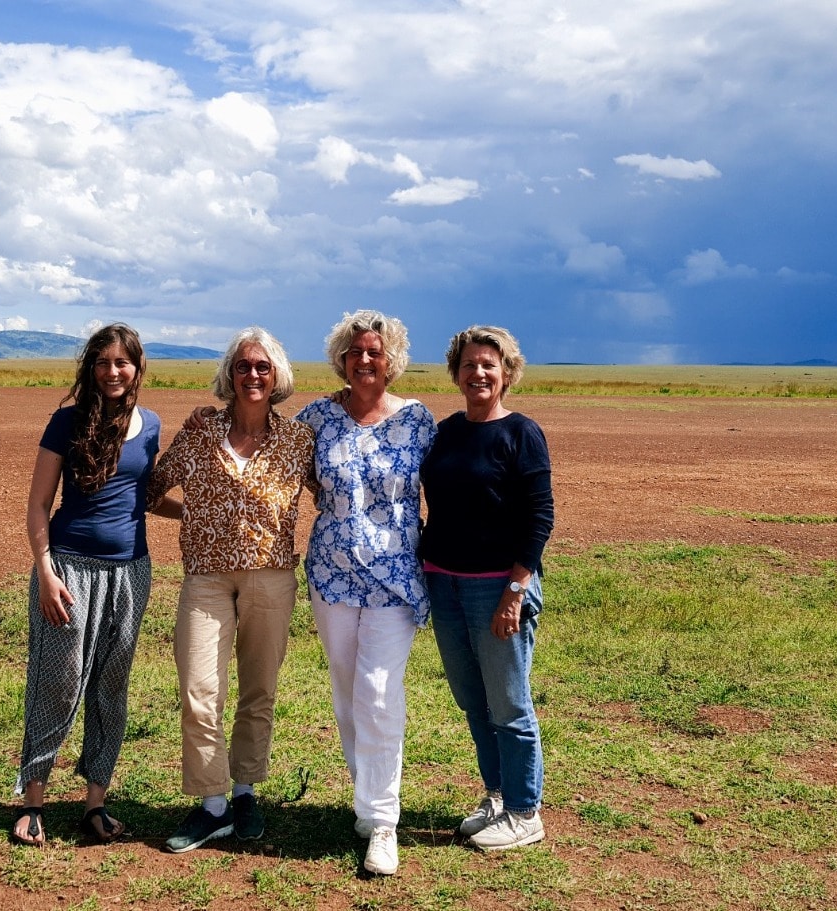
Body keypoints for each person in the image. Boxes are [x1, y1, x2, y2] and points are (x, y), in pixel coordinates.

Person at [147, 327, 315, 854]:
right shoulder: (199, 432)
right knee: (200, 691)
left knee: (258, 691)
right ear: (229, 374)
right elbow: (153, 490)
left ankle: (244, 792)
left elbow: (337, 496)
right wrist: (192, 512)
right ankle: (211, 804)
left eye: (263, 366)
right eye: (243, 366)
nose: (253, 375)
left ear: (278, 375)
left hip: (271, 576)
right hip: (207, 578)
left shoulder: (298, 440)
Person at [296, 311, 435, 876]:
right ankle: (366, 796)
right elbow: (301, 478)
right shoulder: (317, 419)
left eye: (375, 352)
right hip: (331, 577)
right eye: (355, 352)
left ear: (391, 358)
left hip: (396, 581)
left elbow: (448, 488)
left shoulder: (418, 421)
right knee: (348, 690)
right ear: (342, 359)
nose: (365, 360)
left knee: (379, 692)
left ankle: (382, 822)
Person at [14, 323, 160, 847]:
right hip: (69, 567)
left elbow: (143, 497)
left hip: (131, 571)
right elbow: (37, 504)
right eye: (103, 363)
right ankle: (32, 803)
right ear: (90, 368)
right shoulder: (66, 422)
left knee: (110, 688)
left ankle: (95, 804)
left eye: (123, 363)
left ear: (138, 367)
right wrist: (46, 572)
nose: (113, 372)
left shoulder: (151, 426)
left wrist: (210, 514)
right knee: (58, 679)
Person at [418, 325, 554, 851]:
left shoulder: (522, 433)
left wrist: (517, 588)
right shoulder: (447, 432)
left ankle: (525, 812)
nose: (479, 373)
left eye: (489, 365)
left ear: (507, 374)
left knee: (510, 704)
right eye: (470, 364)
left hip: (497, 587)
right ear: (456, 372)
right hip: (444, 584)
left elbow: (540, 517)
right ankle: (497, 795)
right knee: (474, 702)